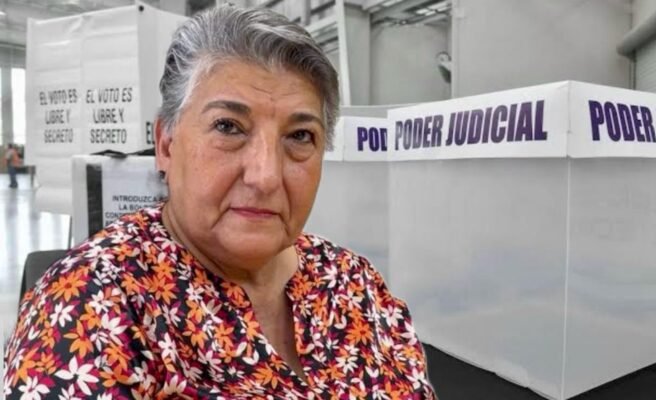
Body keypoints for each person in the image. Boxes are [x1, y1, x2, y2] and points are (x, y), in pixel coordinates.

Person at [3, 5, 436, 399]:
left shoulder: (354, 283)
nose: (266, 176)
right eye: (228, 127)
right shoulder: (92, 304)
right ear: (166, 145)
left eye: (300, 136)